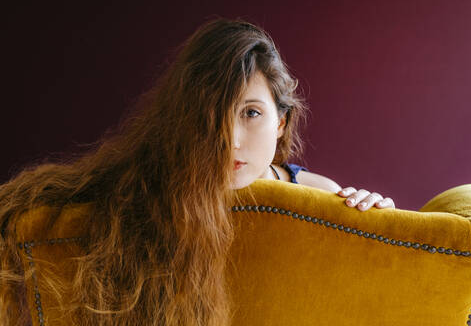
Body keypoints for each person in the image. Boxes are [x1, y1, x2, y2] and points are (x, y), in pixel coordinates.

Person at [0, 17, 394, 325]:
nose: (230, 139)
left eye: (251, 113)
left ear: (280, 121)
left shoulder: (320, 195)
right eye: (211, 117)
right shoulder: (141, 193)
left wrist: (382, 219)